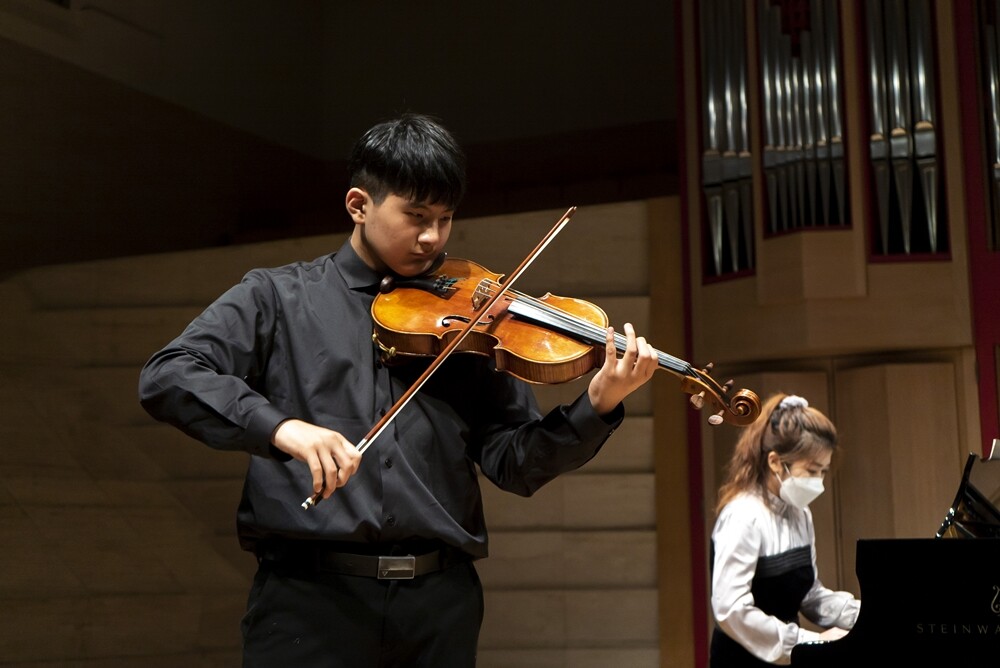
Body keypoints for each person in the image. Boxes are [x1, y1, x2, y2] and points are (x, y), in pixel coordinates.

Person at [137, 113, 658, 667]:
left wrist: (597, 405)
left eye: (445, 218)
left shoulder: (473, 318)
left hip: (438, 608)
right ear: (358, 205)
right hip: (308, 604)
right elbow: (169, 373)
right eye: (415, 216)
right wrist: (282, 428)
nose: (432, 237)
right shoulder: (277, 298)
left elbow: (515, 464)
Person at [709, 393, 860, 666]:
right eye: (812, 471)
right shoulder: (743, 516)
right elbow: (731, 610)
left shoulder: (800, 513)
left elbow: (809, 595)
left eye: (823, 472)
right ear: (775, 462)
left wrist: (864, 615)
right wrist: (811, 641)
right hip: (742, 660)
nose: (819, 482)